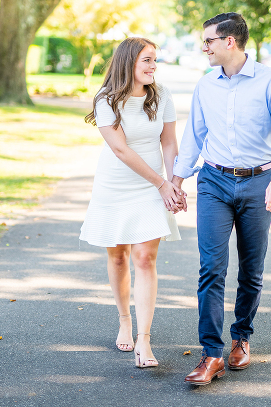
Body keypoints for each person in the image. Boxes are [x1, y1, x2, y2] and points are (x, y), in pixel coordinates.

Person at [171, 12, 271, 386]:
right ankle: (211, 353)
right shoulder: (206, 85)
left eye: (209, 40)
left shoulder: (270, 82)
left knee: (251, 268)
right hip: (213, 180)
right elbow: (194, 135)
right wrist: (178, 179)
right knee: (211, 266)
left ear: (230, 41)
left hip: (259, 182)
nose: (204, 47)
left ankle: (241, 337)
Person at [80, 37, 185, 369]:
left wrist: (174, 183)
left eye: (155, 61)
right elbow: (121, 150)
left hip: (152, 187)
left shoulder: (162, 94)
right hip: (116, 185)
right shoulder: (106, 100)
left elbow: (169, 142)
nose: (154, 67)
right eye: (147, 61)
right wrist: (161, 183)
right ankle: (124, 318)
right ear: (129, 63)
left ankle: (144, 338)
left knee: (144, 257)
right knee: (120, 258)